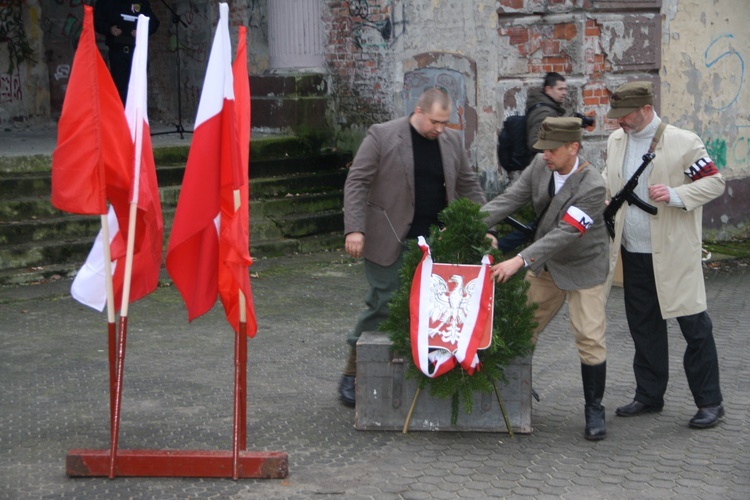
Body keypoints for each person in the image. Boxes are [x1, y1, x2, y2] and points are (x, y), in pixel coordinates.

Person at [340, 88, 487, 408]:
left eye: (446, 123)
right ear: (418, 111)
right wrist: (354, 228)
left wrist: (486, 226)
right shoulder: (383, 136)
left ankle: (422, 372)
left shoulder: (450, 143)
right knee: (385, 304)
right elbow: (357, 181)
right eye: (435, 121)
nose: (440, 129)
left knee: (434, 311)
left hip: (436, 242)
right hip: (389, 238)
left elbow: (468, 185)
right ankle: (353, 371)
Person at [603, 81, 726, 429]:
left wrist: (675, 193)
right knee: (644, 328)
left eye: (625, 115)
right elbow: (609, 183)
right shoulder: (616, 141)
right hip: (633, 251)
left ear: (645, 109)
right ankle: (649, 394)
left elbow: (715, 182)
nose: (619, 122)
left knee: (695, 327)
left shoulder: (684, 142)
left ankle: (710, 402)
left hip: (673, 253)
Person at [484, 117, 610, 441]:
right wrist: (470, 223)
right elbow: (509, 200)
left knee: (589, 335)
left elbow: (568, 232)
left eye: (551, 150)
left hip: (583, 266)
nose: (545, 156)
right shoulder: (540, 167)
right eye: (541, 149)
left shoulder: (593, 185)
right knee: (521, 325)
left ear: (573, 147)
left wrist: (519, 260)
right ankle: (516, 391)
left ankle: (594, 409)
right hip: (547, 265)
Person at [94, 0, 160, 105]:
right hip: (117, 50)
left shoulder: (140, 1)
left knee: (137, 86)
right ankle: (121, 117)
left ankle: (135, 118)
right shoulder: (106, 2)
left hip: (136, 51)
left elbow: (154, 22)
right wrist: (109, 30)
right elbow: (97, 21)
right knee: (119, 86)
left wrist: (142, 30)